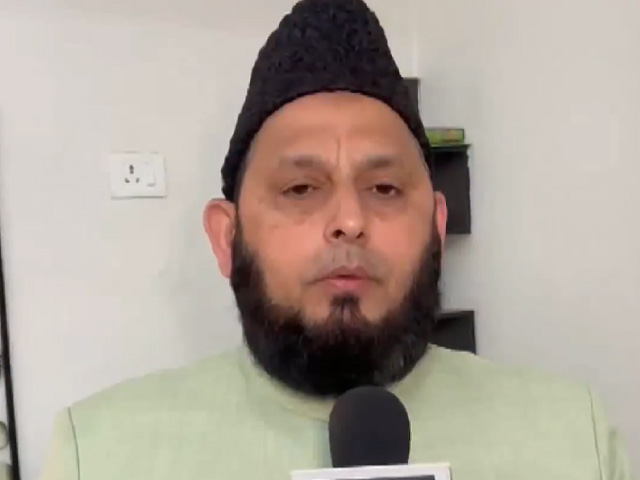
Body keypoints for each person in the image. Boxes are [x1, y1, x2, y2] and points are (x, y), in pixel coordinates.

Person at [40, 0, 633, 479]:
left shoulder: (573, 440)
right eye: (301, 188)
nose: (349, 219)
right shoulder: (98, 454)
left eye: (384, 188)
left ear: (436, 227)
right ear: (227, 237)